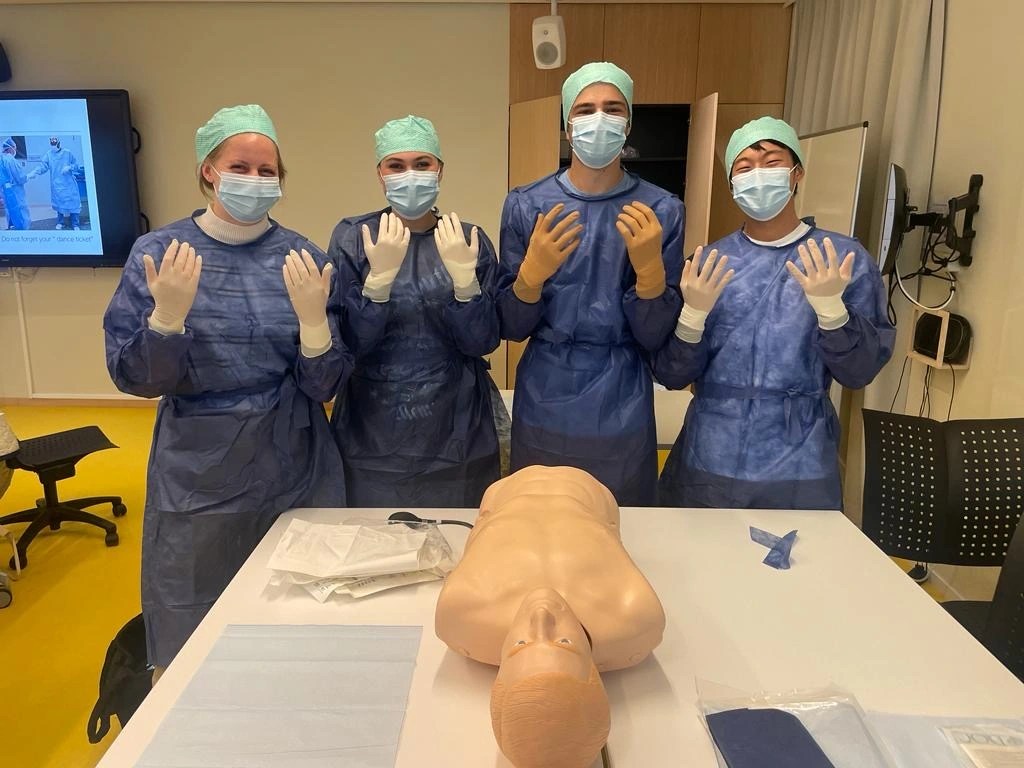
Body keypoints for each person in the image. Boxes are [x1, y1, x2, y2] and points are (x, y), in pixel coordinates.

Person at [104, 104, 352, 669]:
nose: (257, 181)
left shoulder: (302, 257)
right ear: (209, 170)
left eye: (269, 172)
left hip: (294, 456)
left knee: (302, 607)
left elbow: (325, 384)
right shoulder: (159, 257)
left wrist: (316, 328)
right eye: (242, 166)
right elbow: (137, 378)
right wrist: (165, 320)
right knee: (197, 618)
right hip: (200, 468)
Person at [654, 116, 896, 510]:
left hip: (799, 462)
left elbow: (858, 373)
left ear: (796, 173)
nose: (758, 175)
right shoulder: (708, 264)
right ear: (732, 185)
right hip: (711, 455)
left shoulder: (841, 261)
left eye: (771, 162)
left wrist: (833, 312)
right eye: (745, 167)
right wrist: (692, 317)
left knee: (798, 567)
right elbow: (671, 374)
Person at [497, 62, 683, 507]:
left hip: (622, 400)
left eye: (611, 108)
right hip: (546, 393)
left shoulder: (661, 209)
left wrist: (651, 275)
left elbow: (656, 335)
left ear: (628, 122)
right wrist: (530, 277)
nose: (598, 119)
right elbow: (509, 326)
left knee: (621, 527)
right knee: (541, 520)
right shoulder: (527, 205)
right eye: (585, 109)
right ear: (567, 124)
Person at [435, 465, 665, 768]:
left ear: (500, 671)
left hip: (505, 491)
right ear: (595, 669)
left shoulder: (462, 609)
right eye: (565, 641)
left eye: (520, 644)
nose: (540, 615)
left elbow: (481, 531)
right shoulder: (633, 613)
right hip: (589, 489)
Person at [329, 115, 500, 507]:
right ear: (380, 174)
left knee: (457, 552)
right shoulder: (354, 239)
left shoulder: (467, 239)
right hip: (371, 435)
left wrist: (465, 285)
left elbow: (483, 341)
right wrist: (377, 285)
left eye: (422, 164)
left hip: (457, 435)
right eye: (396, 166)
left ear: (440, 170)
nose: (410, 175)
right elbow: (348, 345)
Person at [26, 136, 81, 229]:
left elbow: (76, 165)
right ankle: (60, 222)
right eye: (52, 144)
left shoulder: (67, 153)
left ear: (59, 143)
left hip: (69, 183)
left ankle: (75, 224)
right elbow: (43, 166)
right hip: (56, 184)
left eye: (55, 144)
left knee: (73, 203)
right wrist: (35, 172)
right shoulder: (49, 154)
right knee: (59, 203)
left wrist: (69, 167)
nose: (53, 146)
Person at [0, 137, 31, 230]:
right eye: (15, 148)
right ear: (10, 148)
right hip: (14, 191)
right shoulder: (11, 160)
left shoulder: (1, 159)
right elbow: (21, 178)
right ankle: (22, 233)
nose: (15, 150)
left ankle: (12, 228)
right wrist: (28, 176)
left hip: (5, 191)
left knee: (10, 210)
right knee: (20, 211)